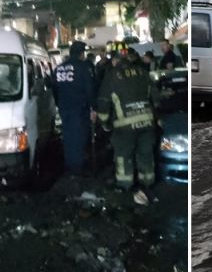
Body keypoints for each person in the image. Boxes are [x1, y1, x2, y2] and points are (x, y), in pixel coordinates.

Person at [96, 49, 158, 204]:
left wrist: (104, 124)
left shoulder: (112, 76)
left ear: (116, 61)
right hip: (147, 122)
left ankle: (125, 187)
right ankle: (147, 184)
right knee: (146, 154)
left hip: (125, 126)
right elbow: (155, 96)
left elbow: (103, 102)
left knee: (124, 156)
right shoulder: (142, 72)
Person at [52, 40, 96, 176]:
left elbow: (54, 89)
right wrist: (93, 108)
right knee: (79, 138)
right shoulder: (83, 68)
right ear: (81, 53)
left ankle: (70, 165)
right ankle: (77, 169)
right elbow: (90, 90)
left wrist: (59, 104)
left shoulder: (58, 69)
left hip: (65, 109)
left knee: (68, 137)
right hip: (80, 109)